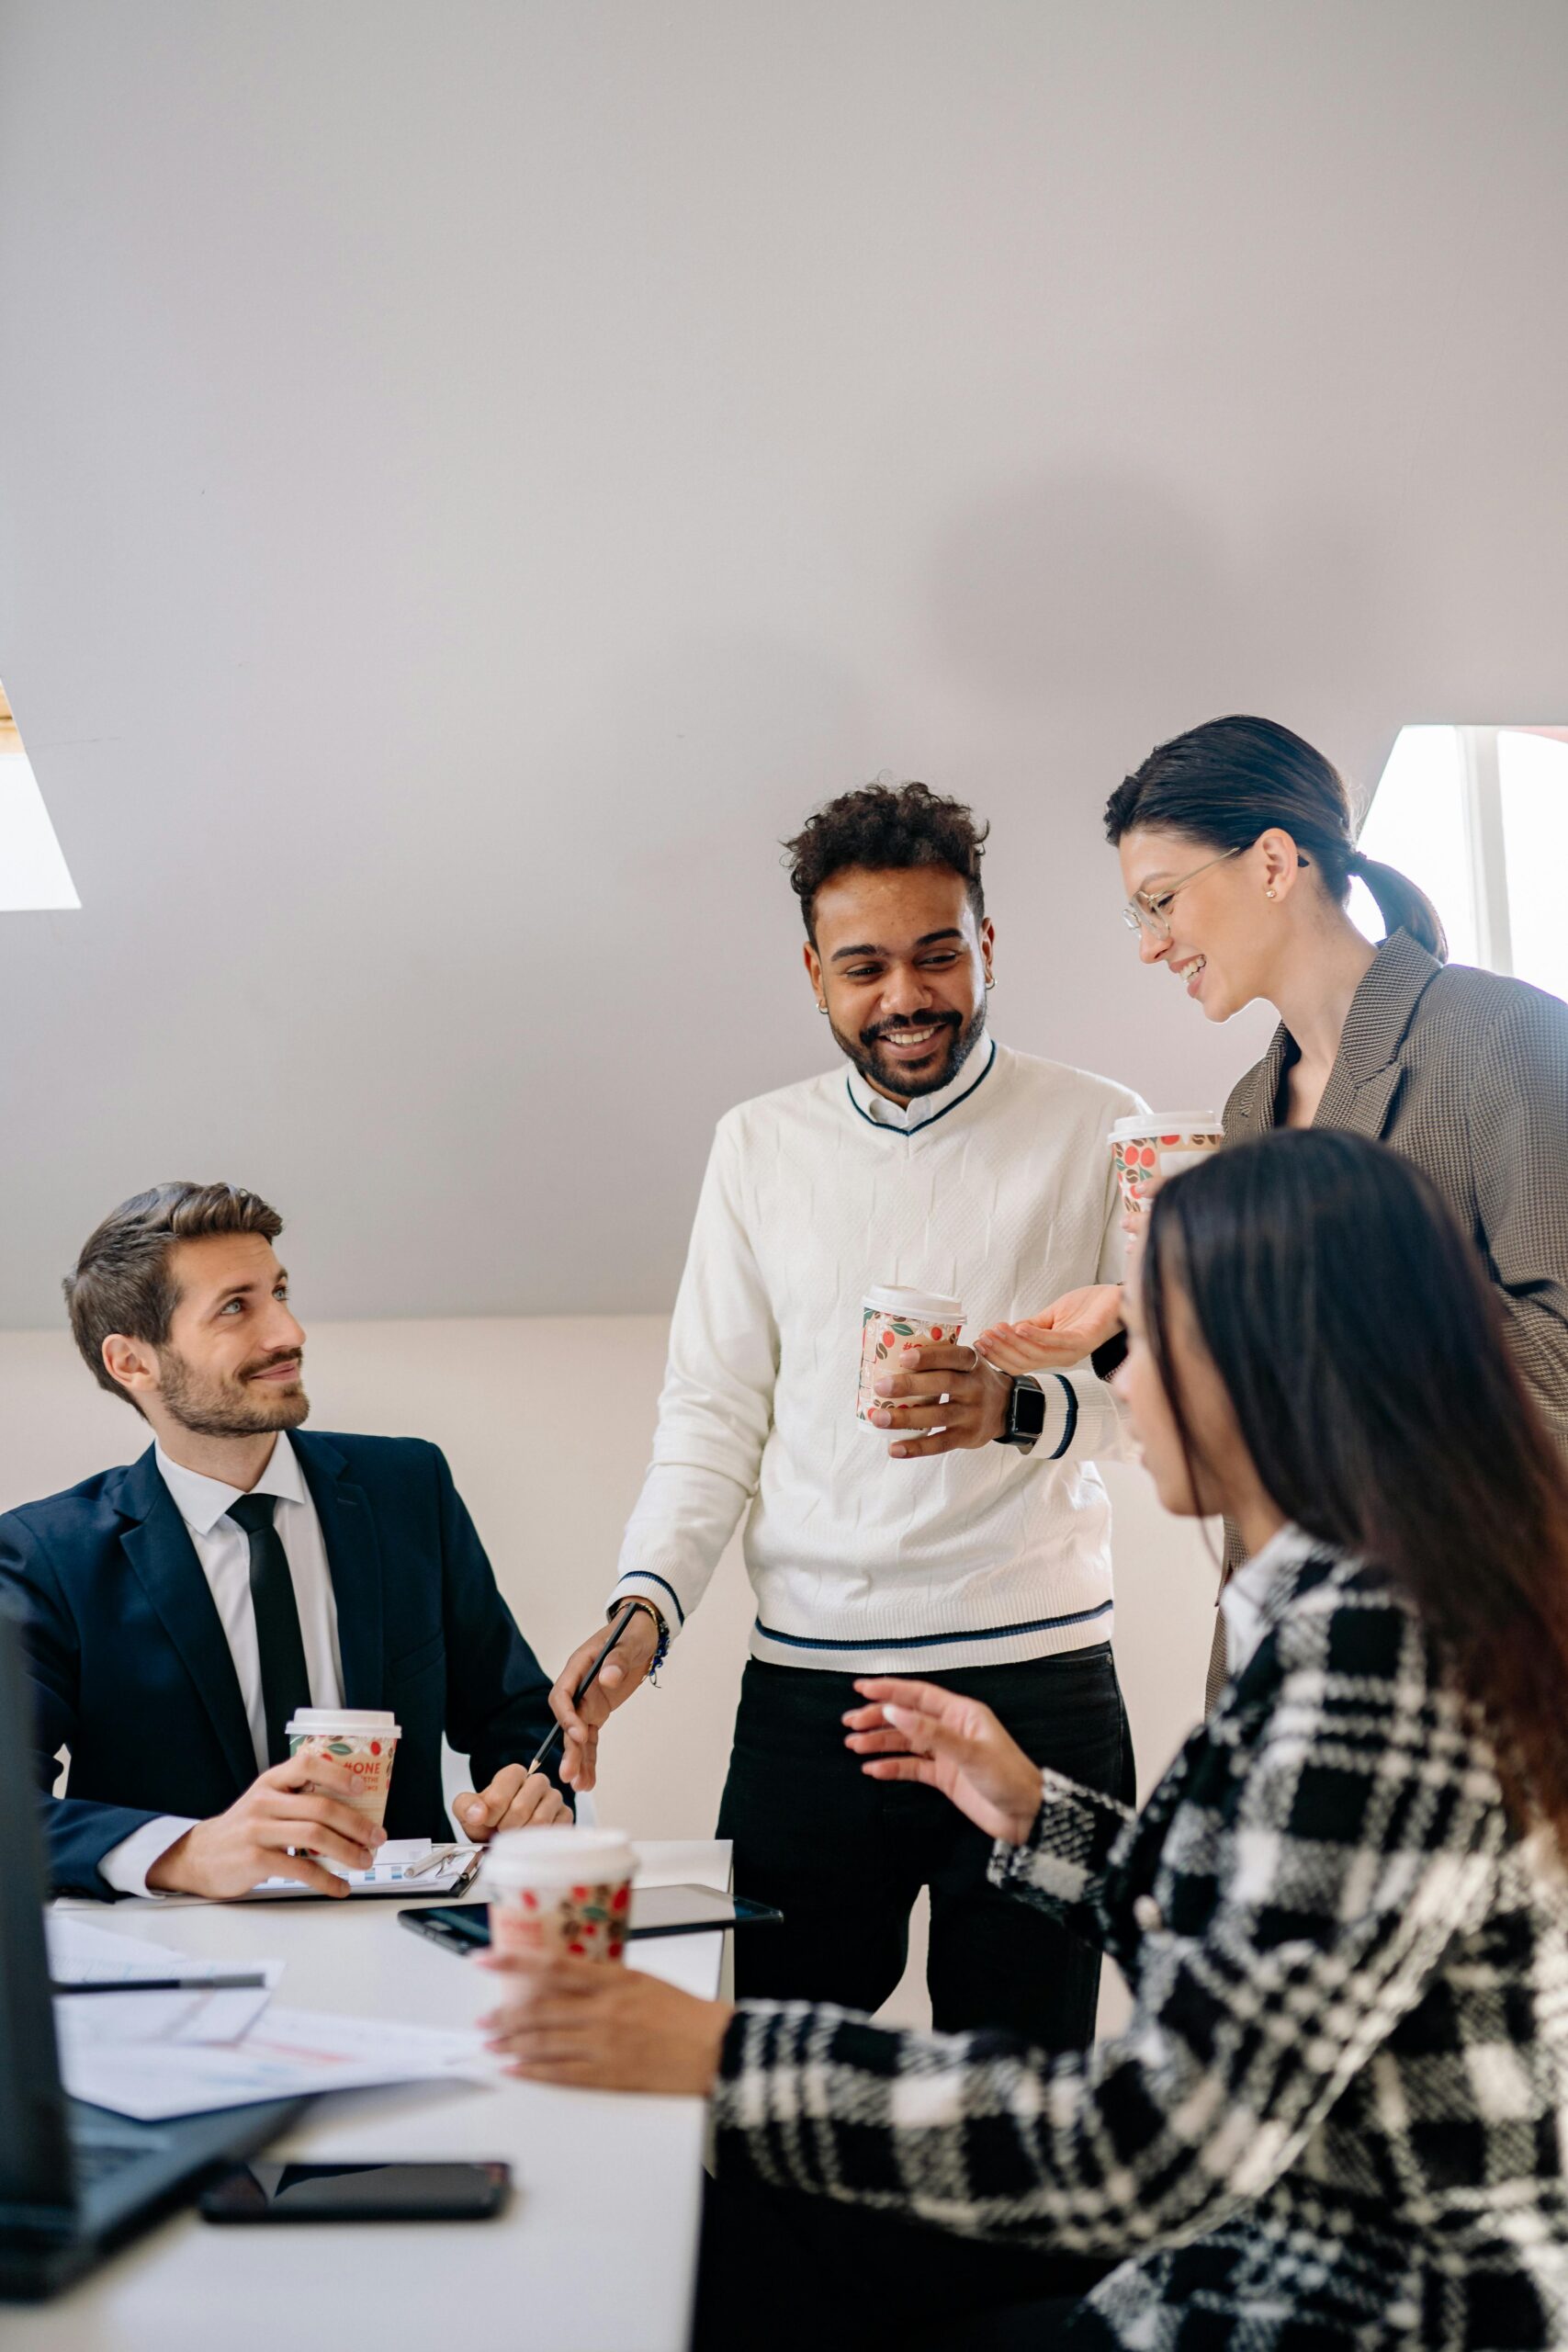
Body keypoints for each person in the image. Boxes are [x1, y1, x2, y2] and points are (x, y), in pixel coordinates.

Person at [479, 1132, 1568, 2350]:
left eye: (1146, 1350)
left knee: (732, 2244)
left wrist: (723, 2055)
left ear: (1261, 1368)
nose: (1126, 1390)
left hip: (1334, 2298)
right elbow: (1255, 1937)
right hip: (1266, 2229)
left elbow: (1155, 2141)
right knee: (728, 2225)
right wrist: (1031, 1813)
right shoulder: (1360, 1605)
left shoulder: (1373, 1664)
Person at [549, 780, 1144, 2047]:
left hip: (1039, 1677)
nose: (904, 998)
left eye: (936, 956)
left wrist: (1016, 1408)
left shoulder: (1101, 1127)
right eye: (863, 967)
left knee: (1028, 2074)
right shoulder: (755, 1146)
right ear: (812, 971)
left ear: (984, 946)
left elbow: (1155, 1399)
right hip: (812, 1691)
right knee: (777, 2064)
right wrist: (645, 1603)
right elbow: (711, 1410)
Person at [981, 713, 1568, 1702]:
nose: (1150, 945)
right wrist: (1140, 1323)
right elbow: (1253, 1422)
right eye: (1139, 917)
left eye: (1160, 901)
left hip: (1467, 1667)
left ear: (1272, 862)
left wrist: (1289, 1275)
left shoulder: (1504, 1039)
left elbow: (1556, 1376)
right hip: (1279, 1656)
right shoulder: (1249, 1111)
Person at [0, 1182, 575, 1900]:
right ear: (132, 1362)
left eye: (279, 1292)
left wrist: (530, 1795)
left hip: (407, 1938)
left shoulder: (408, 1487)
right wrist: (184, 1851)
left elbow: (515, 1717)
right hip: (180, 1956)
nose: (289, 1332)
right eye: (237, 1307)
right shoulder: (46, 1554)